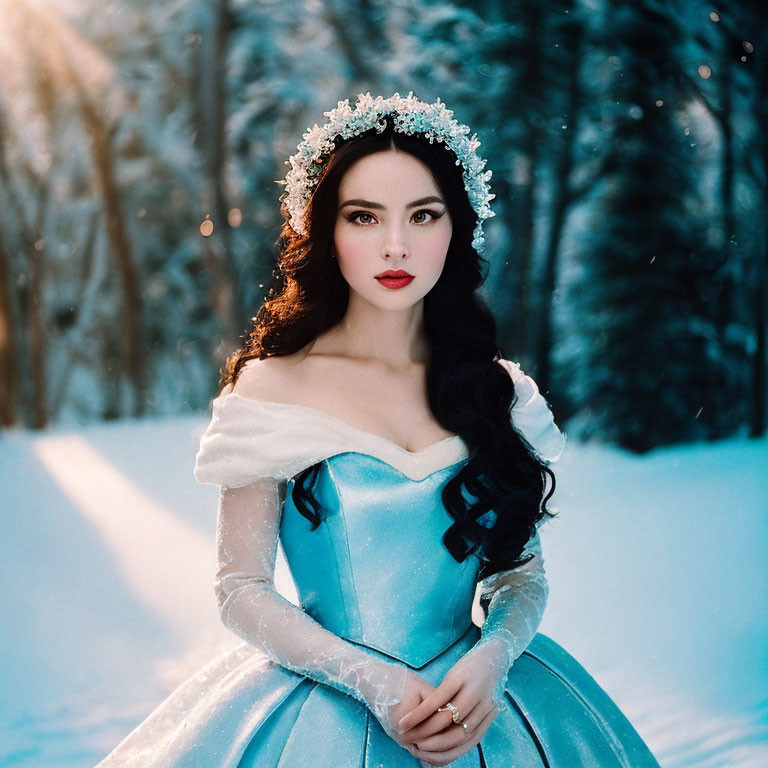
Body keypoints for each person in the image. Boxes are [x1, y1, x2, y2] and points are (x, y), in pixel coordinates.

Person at [96, 92, 661, 767]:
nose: (396, 245)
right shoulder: (274, 387)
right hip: (320, 715)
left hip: (487, 710)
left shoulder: (494, 392)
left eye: (423, 215)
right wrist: (376, 681)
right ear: (324, 231)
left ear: (458, 227)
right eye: (364, 217)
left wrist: (493, 660)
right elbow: (240, 589)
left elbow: (520, 575)